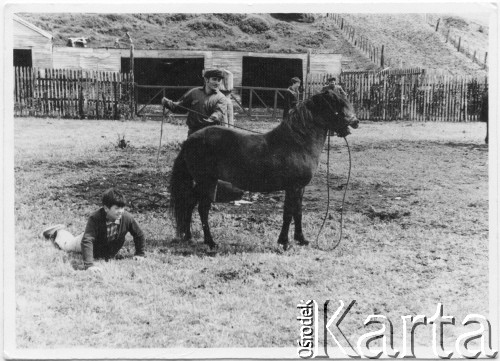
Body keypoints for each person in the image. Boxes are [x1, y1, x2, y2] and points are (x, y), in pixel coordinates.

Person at [41, 188, 146, 274]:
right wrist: (89, 265)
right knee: (67, 245)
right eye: (117, 208)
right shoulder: (95, 218)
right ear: (106, 208)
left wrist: (140, 253)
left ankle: (61, 232)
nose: (121, 212)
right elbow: (87, 241)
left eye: (122, 208)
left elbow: (139, 234)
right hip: (85, 241)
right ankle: (58, 232)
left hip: (103, 249)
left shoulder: (127, 218)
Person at [161, 68, 228, 136]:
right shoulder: (194, 92)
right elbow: (181, 107)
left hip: (211, 134)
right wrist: (168, 103)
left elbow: (219, 112)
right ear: (206, 79)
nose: (217, 82)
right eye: (214, 79)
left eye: (219, 80)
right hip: (194, 133)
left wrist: (214, 117)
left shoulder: (221, 98)